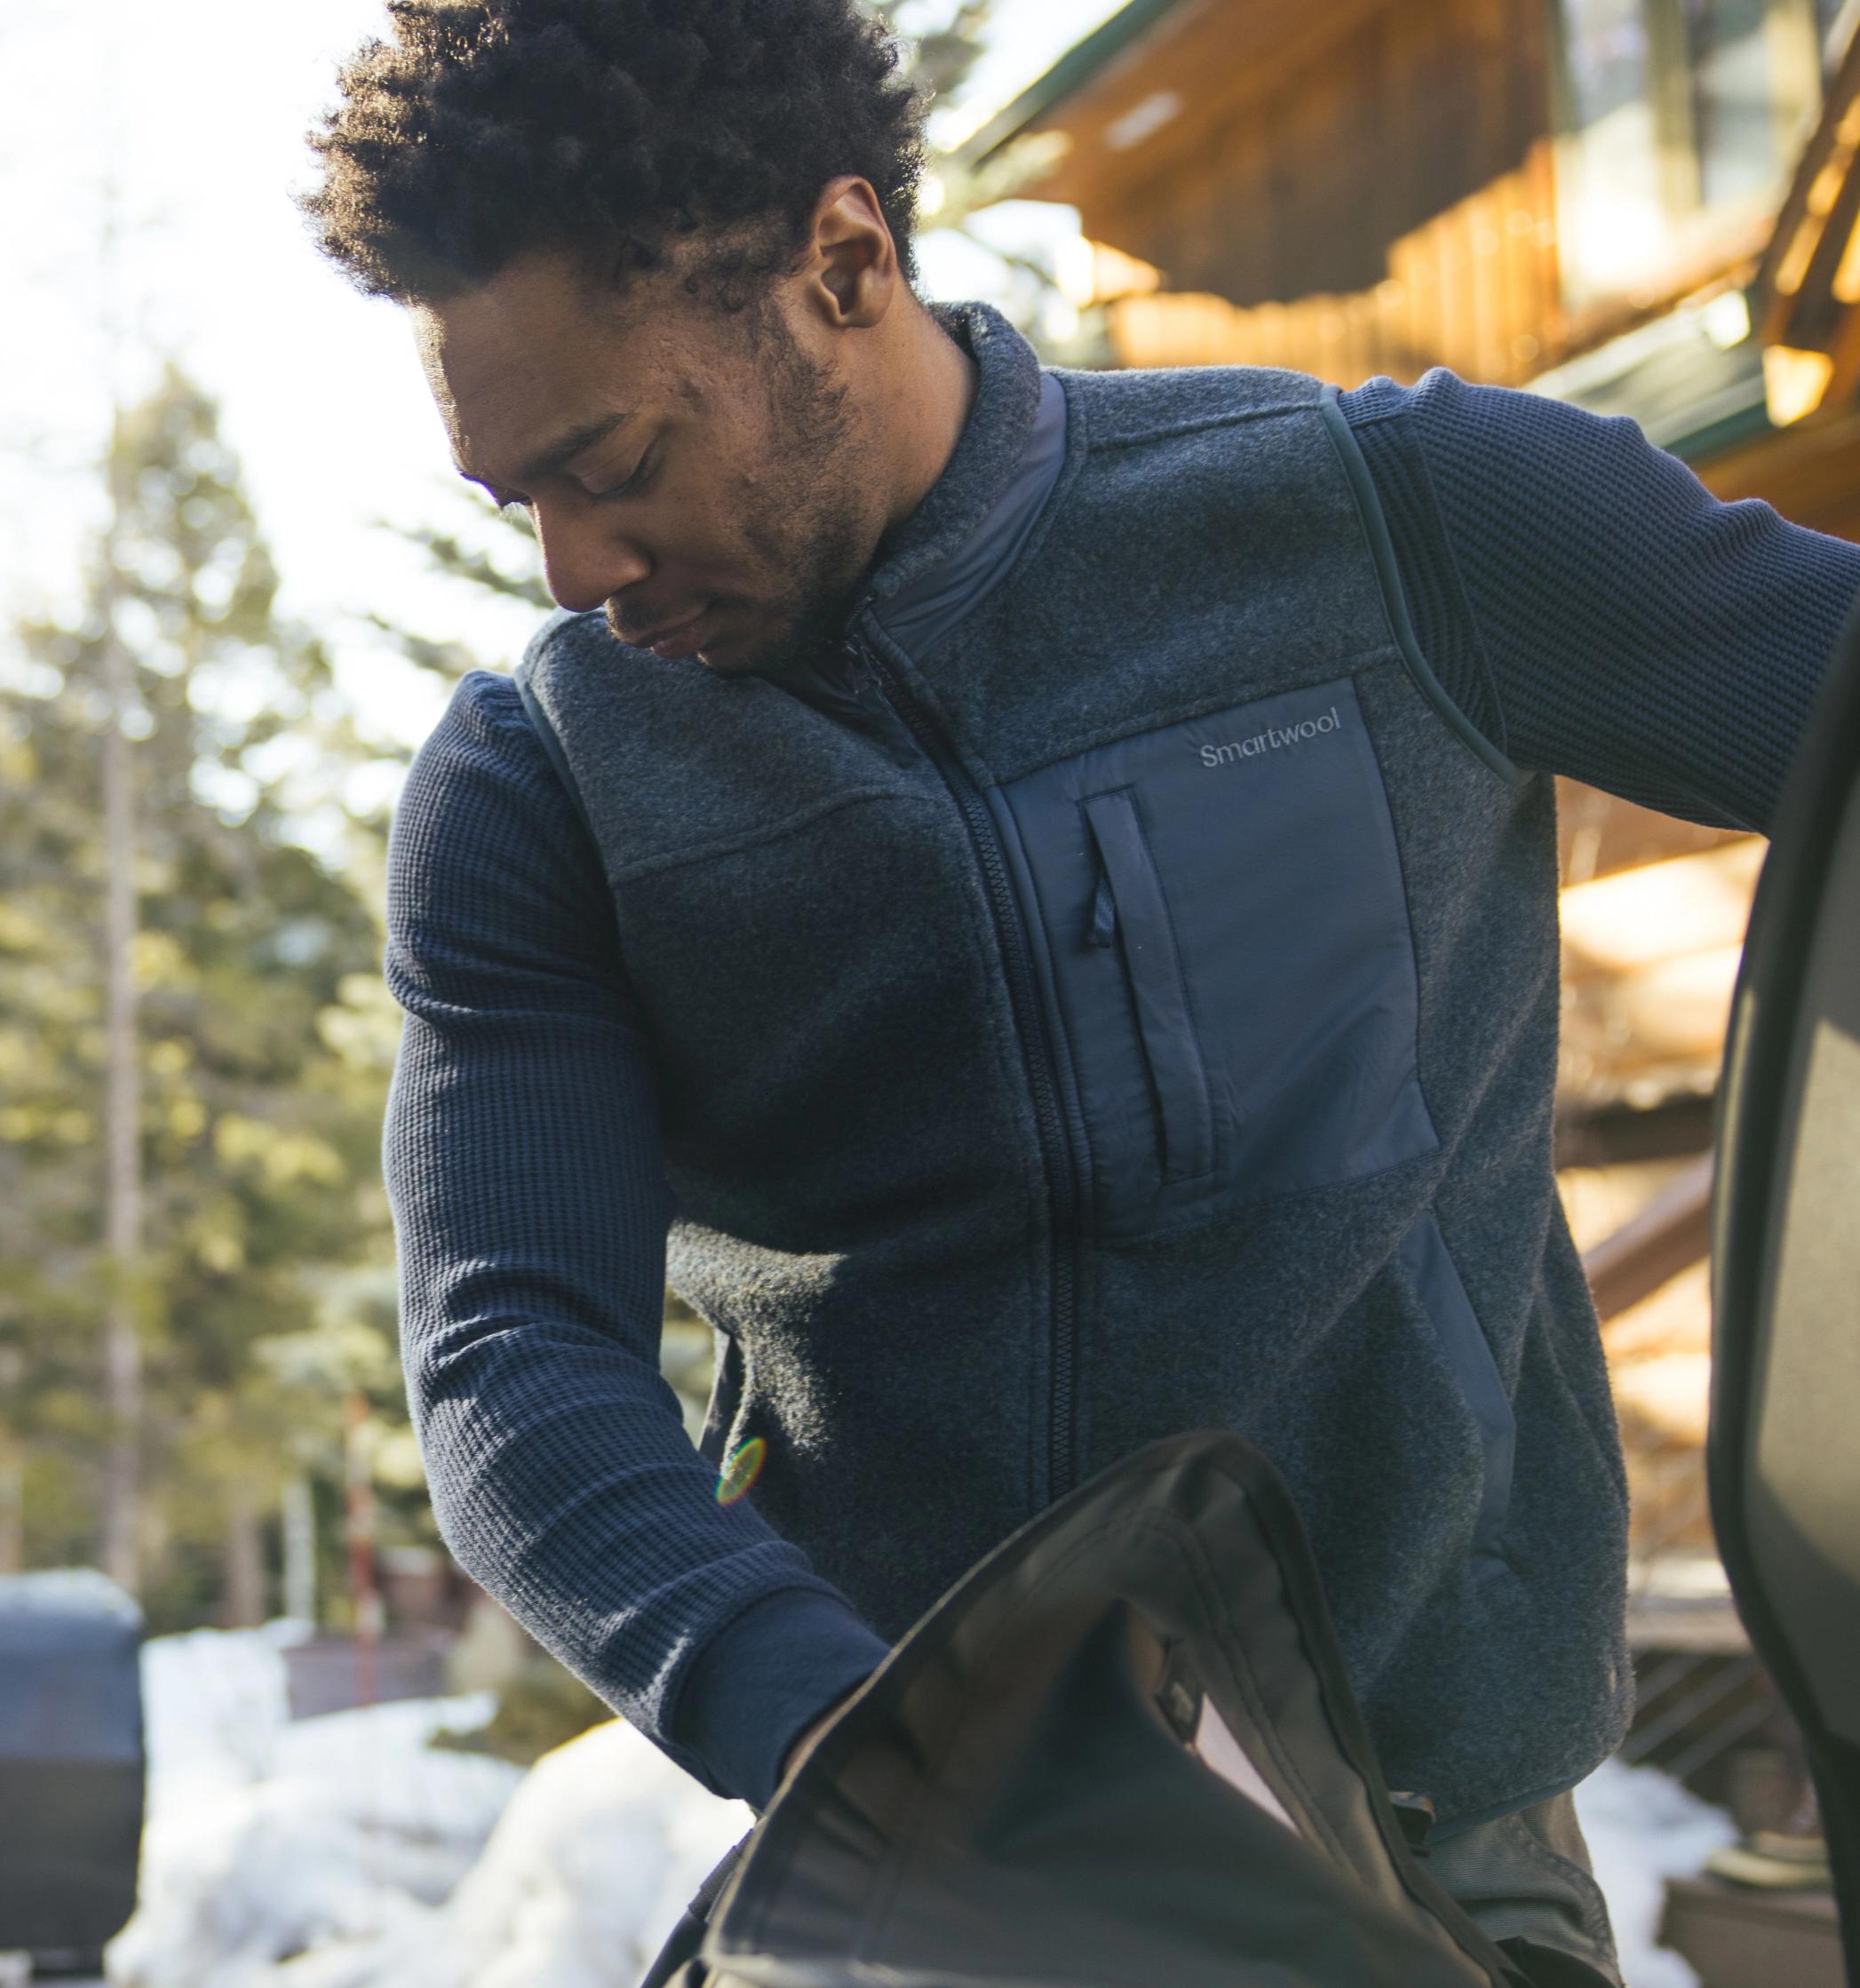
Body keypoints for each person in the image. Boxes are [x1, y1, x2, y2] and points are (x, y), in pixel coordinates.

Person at [302, 4, 1860, 1982]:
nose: (572, 564)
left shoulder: (1400, 531)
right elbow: (513, 1356)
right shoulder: (541, 792)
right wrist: (874, 1749)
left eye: (612, 461)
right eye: (509, 497)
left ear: (844, 263)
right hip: (933, 1892)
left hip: (1433, 1857)